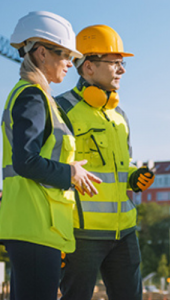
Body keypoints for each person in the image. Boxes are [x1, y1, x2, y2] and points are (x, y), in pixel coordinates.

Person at [0, 11, 101, 300]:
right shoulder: (32, 96)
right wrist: (70, 173)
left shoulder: (40, 97)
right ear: (42, 53)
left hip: (38, 226)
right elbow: (25, 161)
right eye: (65, 55)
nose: (71, 63)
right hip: (33, 225)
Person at [56, 24, 154, 300]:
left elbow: (121, 166)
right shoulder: (61, 110)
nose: (122, 70)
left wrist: (134, 176)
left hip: (124, 232)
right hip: (81, 234)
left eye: (122, 63)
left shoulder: (119, 115)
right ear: (88, 67)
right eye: (115, 63)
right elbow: (53, 170)